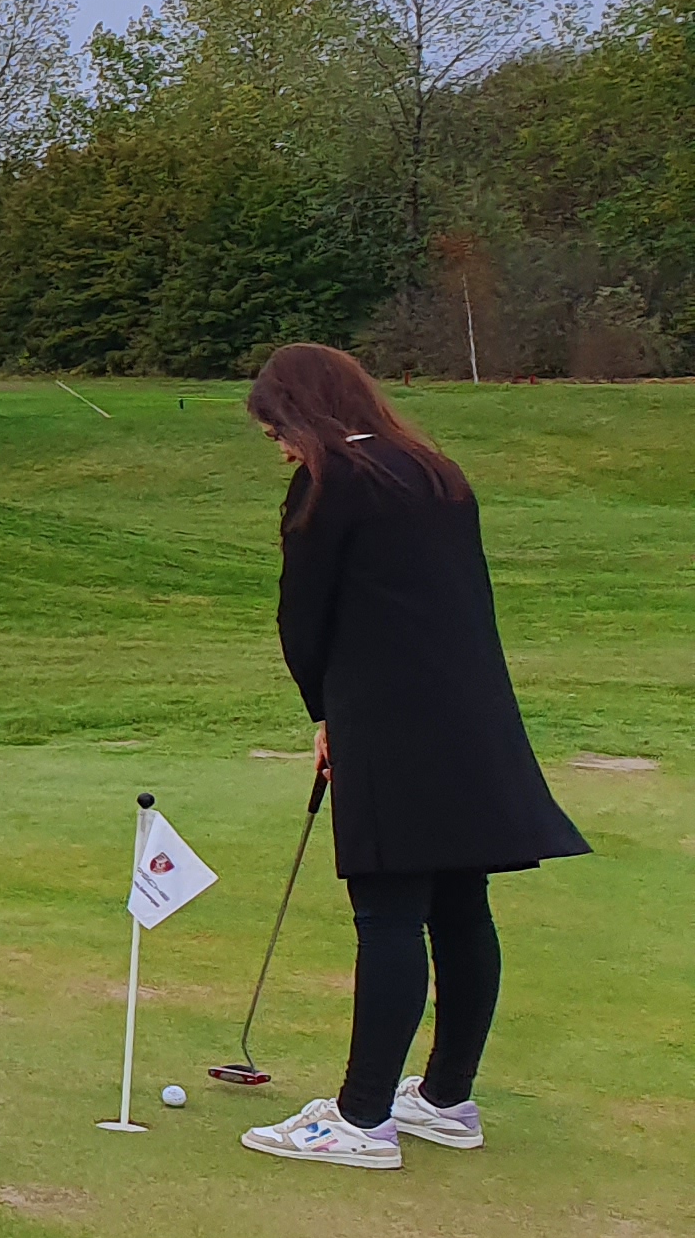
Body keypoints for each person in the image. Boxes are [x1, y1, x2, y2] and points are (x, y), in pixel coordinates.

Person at [235, 345, 582, 1169]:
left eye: (278, 430)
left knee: (389, 912)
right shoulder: (434, 472)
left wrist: (327, 714)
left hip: (389, 718)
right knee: (460, 903)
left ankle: (362, 1120)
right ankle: (446, 1099)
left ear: (304, 415)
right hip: (470, 715)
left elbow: (303, 618)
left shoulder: (332, 484)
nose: (279, 448)